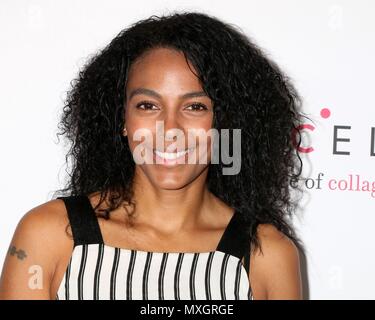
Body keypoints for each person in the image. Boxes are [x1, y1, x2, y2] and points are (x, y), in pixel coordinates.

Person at [0, 11, 305, 300]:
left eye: (195, 106)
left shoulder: (267, 254)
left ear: (225, 122)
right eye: (148, 105)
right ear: (122, 119)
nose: (170, 129)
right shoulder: (49, 235)